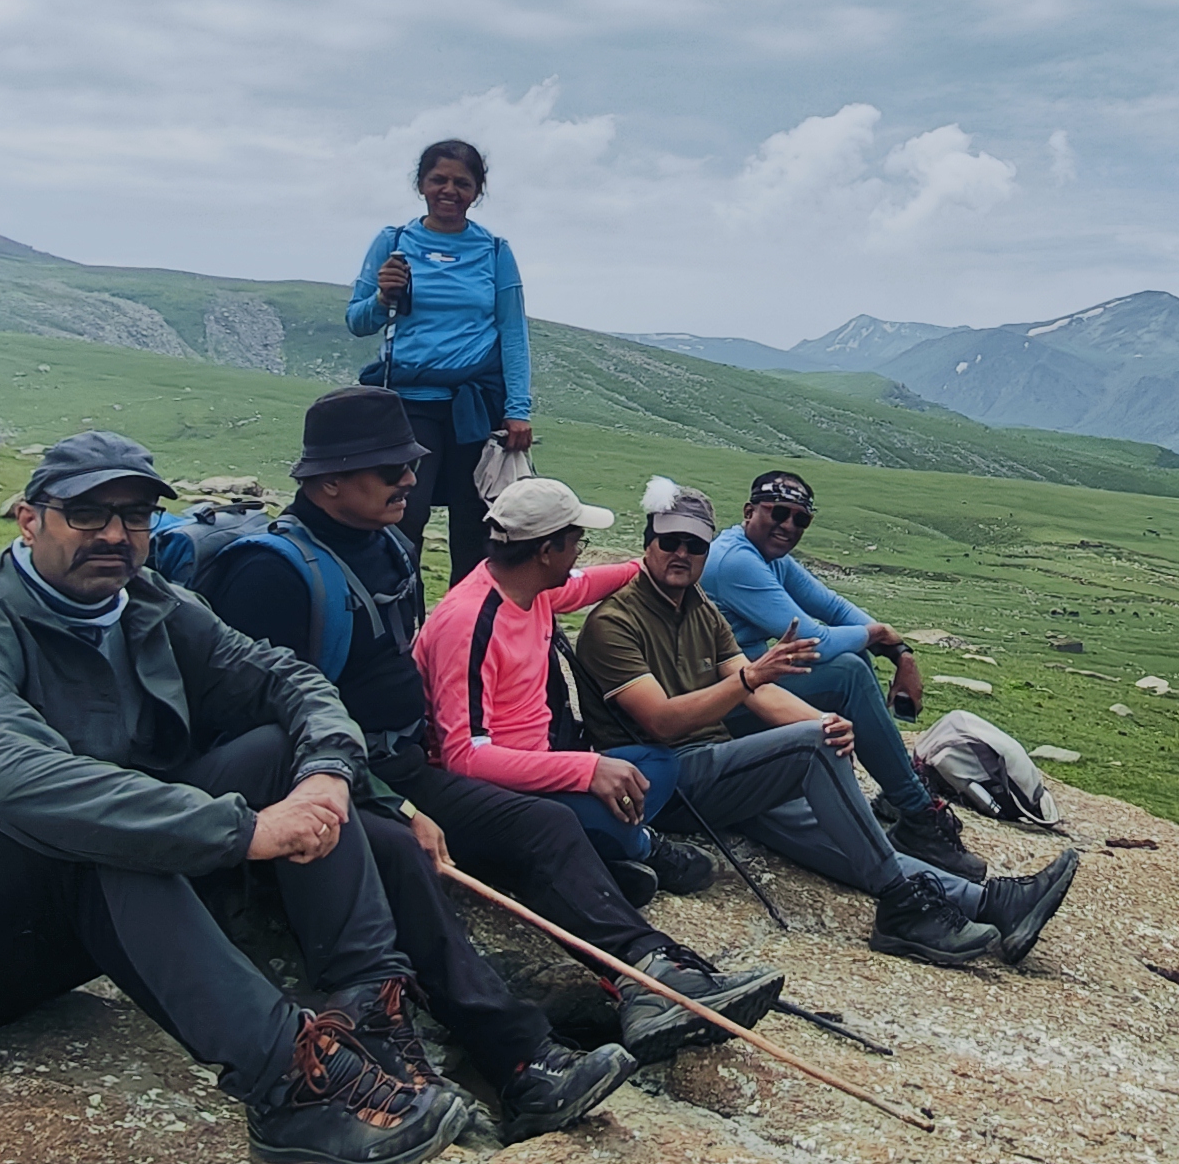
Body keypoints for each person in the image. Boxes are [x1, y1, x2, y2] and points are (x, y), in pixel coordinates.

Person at [0, 433, 636, 1164]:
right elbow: (36, 790)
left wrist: (327, 775)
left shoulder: (149, 605)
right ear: (29, 520)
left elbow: (288, 680)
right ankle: (290, 1088)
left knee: (283, 755)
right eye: (87, 514)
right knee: (97, 835)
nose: (114, 535)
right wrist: (245, 830)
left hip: (64, 926)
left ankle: (372, 1017)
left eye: (134, 516)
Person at [195, 387, 785, 1066]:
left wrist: (654, 562)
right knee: (491, 843)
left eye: (411, 464)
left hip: (399, 763)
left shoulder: (385, 547)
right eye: (392, 469)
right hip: (344, 779)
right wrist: (396, 805)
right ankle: (560, 1030)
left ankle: (652, 974)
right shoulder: (271, 577)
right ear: (329, 480)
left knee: (550, 824)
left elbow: (575, 585)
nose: (411, 479)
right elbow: (274, 726)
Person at [438, 475, 1078, 969]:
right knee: (812, 758)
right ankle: (903, 905)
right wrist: (773, 703)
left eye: (695, 545)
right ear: (648, 543)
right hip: (669, 777)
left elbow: (758, 691)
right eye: (669, 542)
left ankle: (989, 903)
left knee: (839, 831)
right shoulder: (611, 624)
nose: (682, 554)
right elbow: (663, 722)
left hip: (717, 770)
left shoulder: (689, 605)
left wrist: (819, 722)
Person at [701, 470, 987, 881]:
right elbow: (813, 641)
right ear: (749, 511)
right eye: (778, 513)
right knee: (847, 672)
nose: (788, 526)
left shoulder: (770, 558)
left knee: (852, 662)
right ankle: (917, 814)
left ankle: (901, 792)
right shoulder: (735, 561)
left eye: (800, 519)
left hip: (751, 688)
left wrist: (900, 652)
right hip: (723, 704)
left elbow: (833, 607)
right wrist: (879, 635)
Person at [346, 138, 531, 588]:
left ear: (477, 191)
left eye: (462, 183)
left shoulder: (494, 251)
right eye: (439, 180)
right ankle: (396, 620)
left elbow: (513, 332)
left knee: (476, 527)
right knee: (403, 518)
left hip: (475, 406)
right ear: (421, 184)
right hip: (410, 403)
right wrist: (383, 296)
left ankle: (465, 623)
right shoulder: (393, 243)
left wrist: (518, 409)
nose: (449, 191)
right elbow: (357, 321)